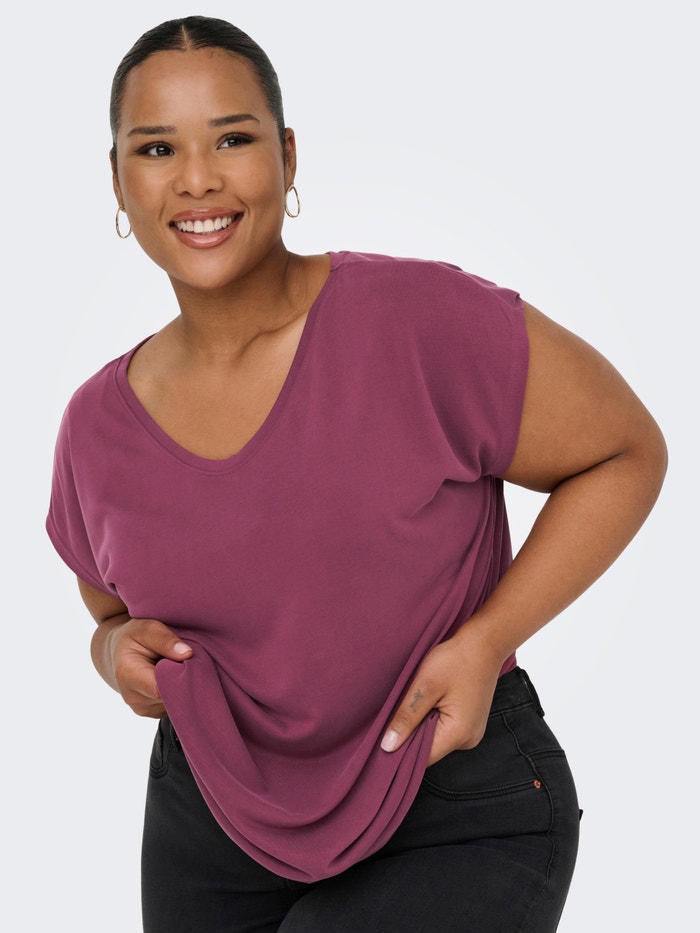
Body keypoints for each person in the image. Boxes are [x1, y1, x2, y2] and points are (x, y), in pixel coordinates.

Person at [46, 14, 667, 933]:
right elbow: (109, 613)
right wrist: (109, 654)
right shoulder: (96, 425)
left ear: (288, 157)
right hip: (208, 830)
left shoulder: (420, 322)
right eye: (157, 148)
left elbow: (624, 451)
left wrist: (486, 641)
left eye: (232, 138)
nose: (198, 179)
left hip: (451, 801)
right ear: (117, 181)